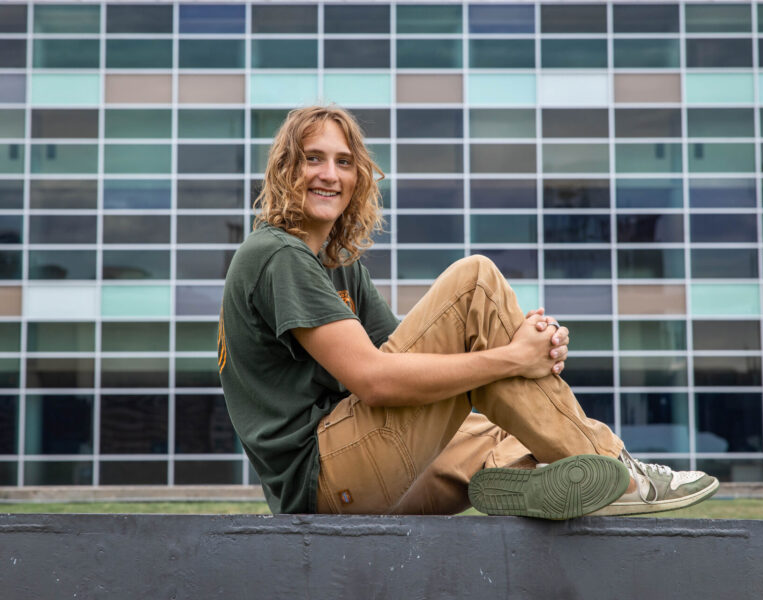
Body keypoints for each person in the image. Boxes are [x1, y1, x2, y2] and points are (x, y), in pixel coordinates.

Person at [218, 105, 719, 518]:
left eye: (345, 162)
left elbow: (420, 372)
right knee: (474, 283)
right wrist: (516, 358)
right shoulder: (277, 255)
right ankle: (616, 468)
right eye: (313, 159)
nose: (330, 174)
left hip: (366, 478)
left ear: (359, 177)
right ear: (286, 170)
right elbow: (376, 381)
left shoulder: (338, 267)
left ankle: (534, 475)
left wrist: (521, 348)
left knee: (505, 421)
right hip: (329, 478)